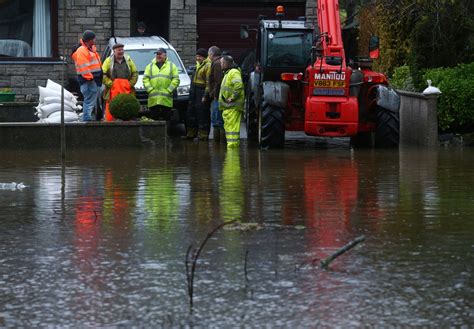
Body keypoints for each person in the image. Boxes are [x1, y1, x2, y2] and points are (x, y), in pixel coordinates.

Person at [101, 43, 138, 121]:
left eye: (122, 50)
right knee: (110, 109)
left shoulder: (128, 59)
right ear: (114, 51)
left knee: (127, 107)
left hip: (127, 90)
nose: (121, 52)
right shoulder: (108, 61)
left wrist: (130, 84)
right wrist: (111, 84)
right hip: (112, 91)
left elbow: (135, 73)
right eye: (119, 50)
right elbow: (103, 74)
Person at [71, 30, 102, 122]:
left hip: (91, 80)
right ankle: (86, 120)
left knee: (89, 101)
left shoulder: (88, 49)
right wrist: (90, 78)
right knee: (89, 101)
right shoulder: (82, 50)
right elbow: (83, 66)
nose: (95, 40)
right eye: (94, 39)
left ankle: (86, 119)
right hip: (89, 81)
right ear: (90, 40)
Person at [143, 47, 180, 123]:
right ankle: (154, 135)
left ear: (165, 55)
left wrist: (169, 90)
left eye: (160, 54)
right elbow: (145, 79)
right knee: (154, 121)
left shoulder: (172, 66)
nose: (158, 56)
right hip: (153, 100)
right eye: (157, 54)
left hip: (166, 100)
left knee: (167, 121)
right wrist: (150, 90)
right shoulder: (149, 66)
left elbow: (176, 79)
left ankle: (166, 135)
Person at [183, 48, 211, 141]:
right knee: (191, 113)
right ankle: (191, 134)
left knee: (202, 114)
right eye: (197, 56)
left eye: (199, 56)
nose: (197, 58)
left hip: (201, 90)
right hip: (194, 90)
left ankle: (203, 135)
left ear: (204, 57)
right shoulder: (198, 65)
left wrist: (205, 95)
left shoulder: (208, 66)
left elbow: (208, 83)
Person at [219, 55, 244, 148]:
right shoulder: (228, 73)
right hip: (229, 106)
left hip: (232, 105)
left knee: (232, 127)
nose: (220, 64)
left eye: (222, 63)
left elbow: (239, 85)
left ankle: (232, 147)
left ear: (226, 63)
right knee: (230, 127)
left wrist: (232, 98)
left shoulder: (233, 72)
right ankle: (232, 146)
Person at [204, 46, 225, 143]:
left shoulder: (216, 64)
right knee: (217, 121)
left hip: (217, 97)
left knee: (217, 121)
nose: (208, 56)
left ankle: (218, 145)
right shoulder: (218, 62)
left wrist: (214, 95)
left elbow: (218, 81)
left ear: (212, 54)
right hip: (218, 96)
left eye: (209, 54)